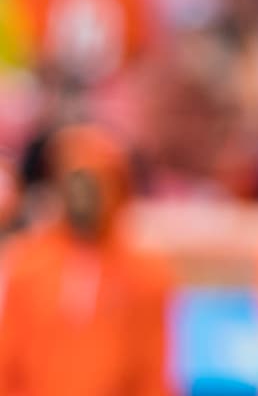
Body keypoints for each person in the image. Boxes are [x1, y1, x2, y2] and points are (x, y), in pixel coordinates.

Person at [0, 124, 173, 396]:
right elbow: (9, 359)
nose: (83, 200)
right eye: (74, 186)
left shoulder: (144, 273)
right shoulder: (29, 264)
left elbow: (152, 368)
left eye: (94, 187)